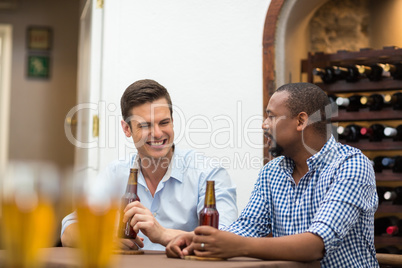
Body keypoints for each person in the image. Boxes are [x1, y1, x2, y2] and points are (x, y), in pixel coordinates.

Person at [166, 82, 379, 267]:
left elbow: (316, 245)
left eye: (271, 116)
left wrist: (235, 246)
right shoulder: (272, 171)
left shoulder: (351, 166)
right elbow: (246, 228)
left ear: (301, 121)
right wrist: (196, 242)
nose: (263, 125)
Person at [61, 79, 238, 250]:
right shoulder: (116, 173)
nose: (157, 133)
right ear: (127, 129)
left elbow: (227, 239)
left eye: (164, 122)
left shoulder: (209, 174)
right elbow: (68, 230)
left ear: (173, 121)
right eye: (145, 125)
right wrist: (105, 239)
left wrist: (163, 234)